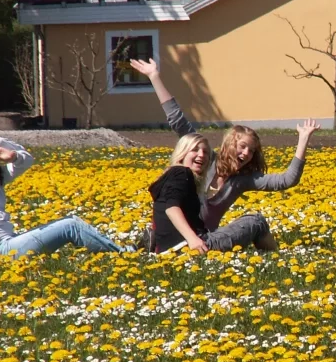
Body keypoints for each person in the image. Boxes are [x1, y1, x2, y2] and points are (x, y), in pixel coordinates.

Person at [129, 58, 319, 251]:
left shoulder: (243, 180)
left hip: (205, 238)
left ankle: (275, 258)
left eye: (252, 151)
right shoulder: (203, 158)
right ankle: (276, 258)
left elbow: (287, 180)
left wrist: (303, 140)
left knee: (256, 221)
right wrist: (154, 77)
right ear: (229, 144)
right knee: (256, 221)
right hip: (191, 240)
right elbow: (177, 120)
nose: (246, 153)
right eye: (243, 146)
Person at [0, 131, 127, 259]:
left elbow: (28, 159)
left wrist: (14, 156)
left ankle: (117, 252)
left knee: (72, 223)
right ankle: (125, 255)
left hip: (7, 244)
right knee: (71, 226)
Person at [149, 133, 275, 253]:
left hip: (170, 249)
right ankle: (277, 257)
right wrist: (192, 239)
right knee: (257, 222)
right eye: (195, 150)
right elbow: (171, 208)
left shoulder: (171, 176)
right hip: (189, 246)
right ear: (182, 153)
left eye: (206, 152)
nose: (201, 155)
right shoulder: (181, 173)